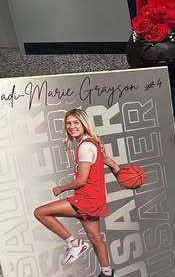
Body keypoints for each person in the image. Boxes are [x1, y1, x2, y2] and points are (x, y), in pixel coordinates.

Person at [33, 109, 121, 277]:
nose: (71, 126)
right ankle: (107, 273)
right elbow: (111, 163)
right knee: (95, 238)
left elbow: (81, 180)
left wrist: (61, 188)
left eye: (76, 123)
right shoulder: (93, 143)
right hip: (95, 198)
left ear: (84, 124)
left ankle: (73, 243)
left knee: (40, 212)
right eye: (68, 123)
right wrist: (120, 173)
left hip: (86, 199)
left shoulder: (85, 146)